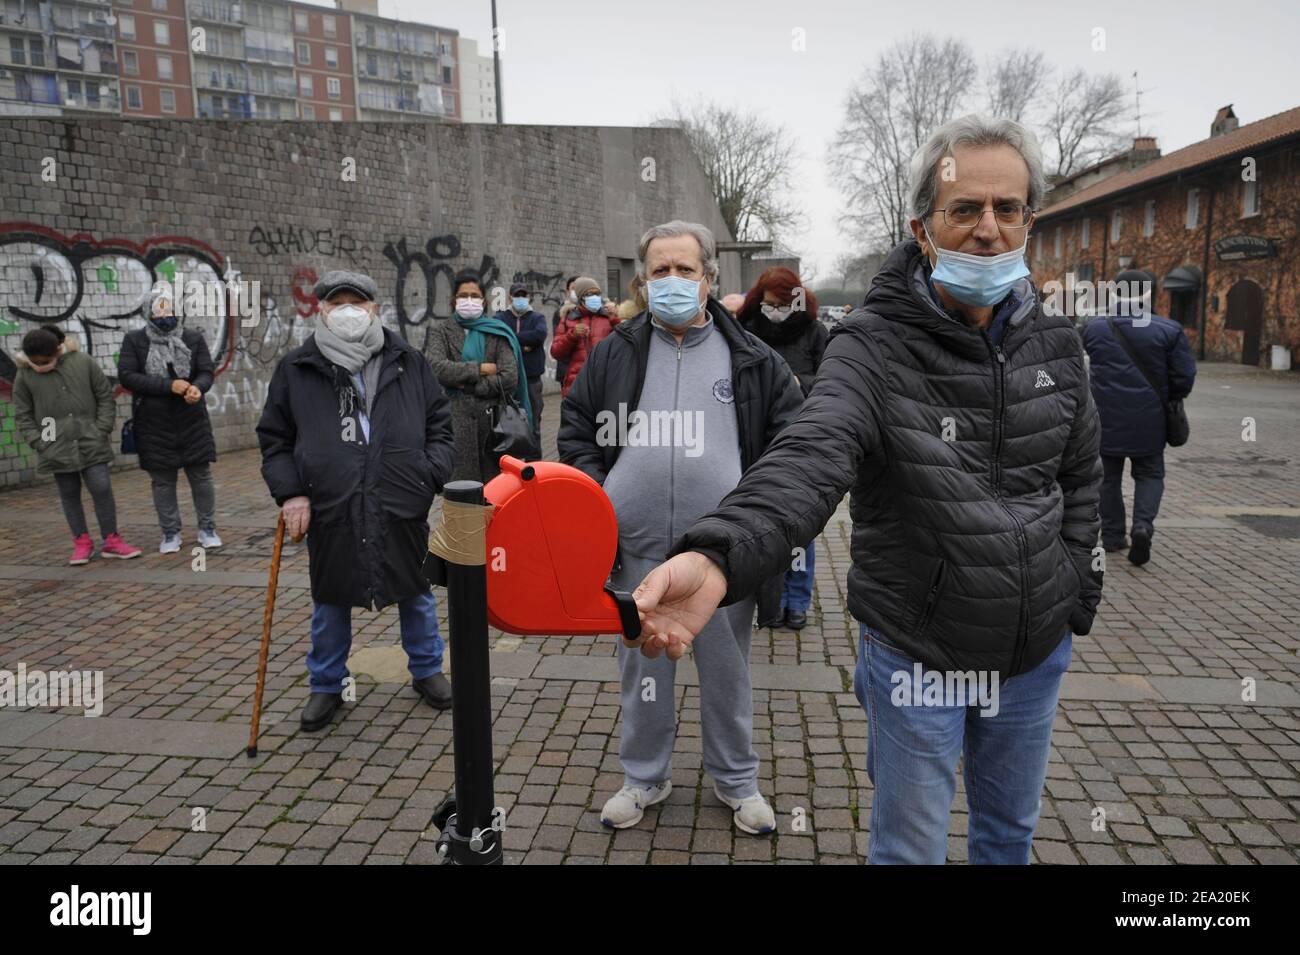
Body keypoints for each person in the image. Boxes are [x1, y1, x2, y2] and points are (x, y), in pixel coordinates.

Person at [627, 116, 1104, 865]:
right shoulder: (871, 344)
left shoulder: (1061, 344)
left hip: (1033, 654)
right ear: (922, 227)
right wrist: (719, 555)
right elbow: (810, 455)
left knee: (1008, 838)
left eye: (1007, 209)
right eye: (965, 209)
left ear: (1028, 222)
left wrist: (1074, 589)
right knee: (909, 848)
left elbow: (1080, 479)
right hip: (919, 654)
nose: (987, 228)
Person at [559, 220, 803, 834]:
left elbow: (790, 442)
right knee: (642, 670)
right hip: (633, 549)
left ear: (708, 276)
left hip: (719, 557)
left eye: (684, 269)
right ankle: (643, 776)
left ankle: (737, 780)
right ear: (643, 281)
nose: (671, 280)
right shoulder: (616, 350)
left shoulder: (752, 358)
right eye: (659, 271)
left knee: (727, 672)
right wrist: (598, 495)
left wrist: (752, 517)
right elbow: (576, 425)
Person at [257, 269, 455, 731]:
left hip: (400, 498)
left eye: (357, 302)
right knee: (330, 598)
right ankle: (326, 684)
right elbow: (275, 438)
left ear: (373, 307)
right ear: (321, 310)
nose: (348, 310)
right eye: (336, 302)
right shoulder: (297, 367)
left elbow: (439, 426)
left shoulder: (407, 360)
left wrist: (428, 475)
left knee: (416, 591)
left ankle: (427, 670)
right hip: (331, 504)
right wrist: (291, 493)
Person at [1082, 268, 1196, 565]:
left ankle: (1113, 536)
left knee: (1107, 479)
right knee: (1149, 474)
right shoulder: (1169, 330)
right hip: (1151, 419)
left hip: (1105, 419)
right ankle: (1142, 526)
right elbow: (1184, 377)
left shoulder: (1095, 328)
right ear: (1151, 293)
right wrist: (1170, 397)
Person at [736, 266, 829, 630]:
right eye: (769, 303)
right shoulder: (747, 332)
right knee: (756, 525)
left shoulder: (813, 332)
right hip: (754, 439)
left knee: (799, 528)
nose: (775, 310)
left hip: (800, 441)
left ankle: (797, 600)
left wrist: (798, 382)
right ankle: (768, 601)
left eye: (782, 303)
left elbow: (830, 379)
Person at [12, 325, 141, 563]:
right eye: (36, 362)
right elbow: (23, 413)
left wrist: (100, 428)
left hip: (90, 438)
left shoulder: (83, 362)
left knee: (101, 488)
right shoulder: (24, 375)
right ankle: (81, 542)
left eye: (46, 361)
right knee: (69, 493)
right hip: (54, 443)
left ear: (58, 350)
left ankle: (112, 540)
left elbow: (104, 395)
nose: (41, 366)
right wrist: (40, 442)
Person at [117, 285, 222, 553]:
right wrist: (168, 386)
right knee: (163, 480)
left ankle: (207, 528)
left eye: (169, 308)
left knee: (201, 476)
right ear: (148, 313)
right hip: (153, 422)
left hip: (191, 418)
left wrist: (198, 386)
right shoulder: (134, 340)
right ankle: (170, 533)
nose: (165, 314)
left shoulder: (192, 338)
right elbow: (128, 376)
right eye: (158, 309)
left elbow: (206, 371)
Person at [425, 271, 528, 482]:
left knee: (496, 491)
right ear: (454, 300)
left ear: (483, 300)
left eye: (474, 295)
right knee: (461, 495)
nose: (469, 300)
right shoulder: (441, 331)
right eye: (463, 296)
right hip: (455, 422)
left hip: (494, 424)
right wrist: (480, 368)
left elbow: (509, 376)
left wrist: (470, 386)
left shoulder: (497, 331)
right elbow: (437, 368)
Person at [494, 281, 548, 457]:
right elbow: (498, 333)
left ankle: (535, 464)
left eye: (523, 295)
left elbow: (539, 335)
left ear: (529, 297)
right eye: (517, 295)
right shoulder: (501, 317)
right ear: (510, 297)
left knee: (534, 424)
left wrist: (511, 340)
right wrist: (523, 344)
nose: (520, 299)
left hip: (532, 380)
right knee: (506, 422)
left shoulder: (537, 317)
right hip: (508, 380)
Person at [550, 276, 619, 398]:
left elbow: (625, 343)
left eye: (597, 293)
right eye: (589, 294)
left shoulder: (608, 317)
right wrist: (572, 335)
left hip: (605, 383)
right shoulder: (568, 319)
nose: (595, 297)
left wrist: (615, 320)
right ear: (581, 298)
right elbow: (556, 352)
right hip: (576, 383)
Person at [552, 276, 578, 386]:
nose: (576, 292)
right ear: (567, 291)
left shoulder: (592, 312)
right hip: (567, 370)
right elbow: (559, 343)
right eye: (573, 288)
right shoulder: (560, 313)